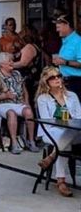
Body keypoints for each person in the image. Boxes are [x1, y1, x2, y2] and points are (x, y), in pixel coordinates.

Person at [36, 66, 81, 197]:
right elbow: (46, 121)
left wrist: (70, 123)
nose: (57, 79)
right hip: (52, 131)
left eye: (59, 76)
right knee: (64, 137)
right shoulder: (43, 98)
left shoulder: (72, 96)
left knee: (70, 132)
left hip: (74, 131)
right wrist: (62, 122)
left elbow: (79, 117)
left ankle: (51, 157)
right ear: (46, 81)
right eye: (52, 77)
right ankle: (61, 181)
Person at [0, 52, 39, 154]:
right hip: (3, 104)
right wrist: (5, 96)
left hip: (18, 103)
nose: (12, 62)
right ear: (2, 64)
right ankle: (14, 142)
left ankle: (31, 141)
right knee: (11, 113)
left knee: (28, 111)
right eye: (9, 61)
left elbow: (24, 90)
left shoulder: (17, 74)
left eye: (12, 60)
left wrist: (27, 102)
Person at [51, 14, 81, 100]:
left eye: (59, 27)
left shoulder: (78, 41)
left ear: (67, 25)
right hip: (65, 81)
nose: (57, 30)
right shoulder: (65, 41)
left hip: (76, 83)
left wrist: (65, 62)